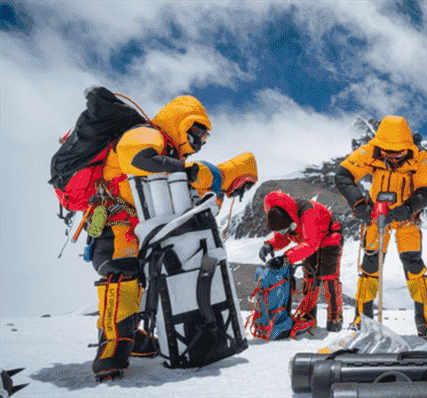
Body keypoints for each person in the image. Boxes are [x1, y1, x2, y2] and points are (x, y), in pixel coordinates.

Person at [89, 95, 257, 380]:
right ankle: (112, 346)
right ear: (182, 123)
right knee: (124, 273)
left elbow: (206, 175)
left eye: (205, 136)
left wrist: (239, 175)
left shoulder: (172, 157)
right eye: (199, 131)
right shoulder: (145, 134)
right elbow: (138, 157)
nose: (201, 141)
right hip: (115, 226)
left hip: (139, 228)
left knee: (148, 276)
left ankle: (135, 337)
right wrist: (180, 168)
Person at [334, 115, 427, 341]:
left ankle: (426, 323)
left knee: (414, 268)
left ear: (407, 147)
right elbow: (343, 175)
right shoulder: (369, 151)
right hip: (376, 216)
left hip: (406, 219)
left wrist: (408, 207)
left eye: (398, 153)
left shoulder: (421, 157)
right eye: (387, 153)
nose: (392, 157)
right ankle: (362, 320)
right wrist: (359, 204)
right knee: (370, 267)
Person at [258, 191, 345, 333]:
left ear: (289, 219)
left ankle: (335, 317)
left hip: (330, 237)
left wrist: (285, 258)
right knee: (310, 278)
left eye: (286, 229)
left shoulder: (309, 213)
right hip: (310, 242)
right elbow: (283, 238)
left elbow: (311, 244)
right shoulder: (283, 215)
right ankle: (308, 315)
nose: (284, 231)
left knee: (329, 277)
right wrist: (270, 245)